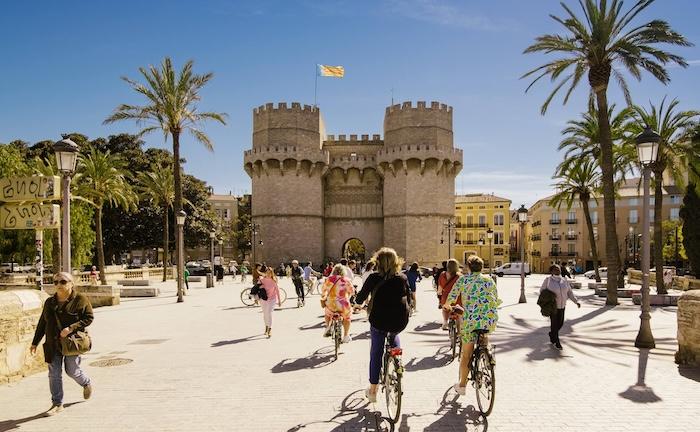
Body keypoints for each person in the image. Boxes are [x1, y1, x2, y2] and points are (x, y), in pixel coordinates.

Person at [30, 272, 94, 416]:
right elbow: (42, 323)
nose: (59, 285)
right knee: (54, 373)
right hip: (52, 343)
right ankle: (57, 403)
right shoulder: (49, 302)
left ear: (71, 283)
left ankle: (86, 383)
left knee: (72, 370)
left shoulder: (80, 299)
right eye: (56, 282)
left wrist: (71, 328)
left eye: (63, 282)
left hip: (72, 342)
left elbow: (89, 317)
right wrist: (35, 342)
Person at [353, 247, 411, 403]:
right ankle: (396, 355)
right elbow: (409, 298)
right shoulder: (402, 278)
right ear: (395, 261)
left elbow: (362, 296)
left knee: (376, 353)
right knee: (394, 333)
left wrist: (357, 304)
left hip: (378, 320)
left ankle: (373, 390)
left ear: (377, 262)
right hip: (399, 320)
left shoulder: (373, 278)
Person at [443, 255, 501, 396]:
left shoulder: (463, 279)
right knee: (483, 333)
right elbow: (496, 299)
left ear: (468, 267)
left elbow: (451, 297)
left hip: (470, 321)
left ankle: (462, 386)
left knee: (466, 355)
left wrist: (447, 306)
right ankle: (487, 354)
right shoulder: (489, 280)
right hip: (489, 320)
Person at [540, 264, 580, 350]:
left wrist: (576, 301)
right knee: (554, 324)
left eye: (558, 269)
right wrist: (549, 297)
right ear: (552, 271)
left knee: (560, 323)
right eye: (555, 269)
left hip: (562, 306)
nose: (557, 270)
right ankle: (557, 341)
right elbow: (542, 291)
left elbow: (569, 292)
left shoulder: (564, 280)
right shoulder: (548, 280)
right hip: (553, 306)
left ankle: (552, 334)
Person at [321, 264, 355, 343]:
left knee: (327, 313)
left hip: (331, 304)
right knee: (347, 317)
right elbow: (352, 292)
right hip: (343, 305)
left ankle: (328, 327)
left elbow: (323, 291)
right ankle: (346, 335)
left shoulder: (328, 279)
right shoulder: (346, 280)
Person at [258, 265, 282, 338]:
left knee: (269, 313)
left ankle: (270, 329)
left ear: (272, 273)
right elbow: (256, 288)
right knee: (265, 314)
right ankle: (266, 326)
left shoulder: (274, 280)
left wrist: (279, 300)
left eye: (270, 273)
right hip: (263, 299)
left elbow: (277, 290)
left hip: (272, 299)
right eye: (267, 273)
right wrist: (260, 287)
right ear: (265, 273)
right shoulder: (262, 280)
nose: (268, 274)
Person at [437, 259, 462, 330]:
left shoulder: (442, 274)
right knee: (458, 313)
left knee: (445, 308)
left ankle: (445, 322)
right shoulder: (459, 276)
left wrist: (439, 294)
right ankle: (459, 331)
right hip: (457, 297)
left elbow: (440, 289)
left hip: (446, 296)